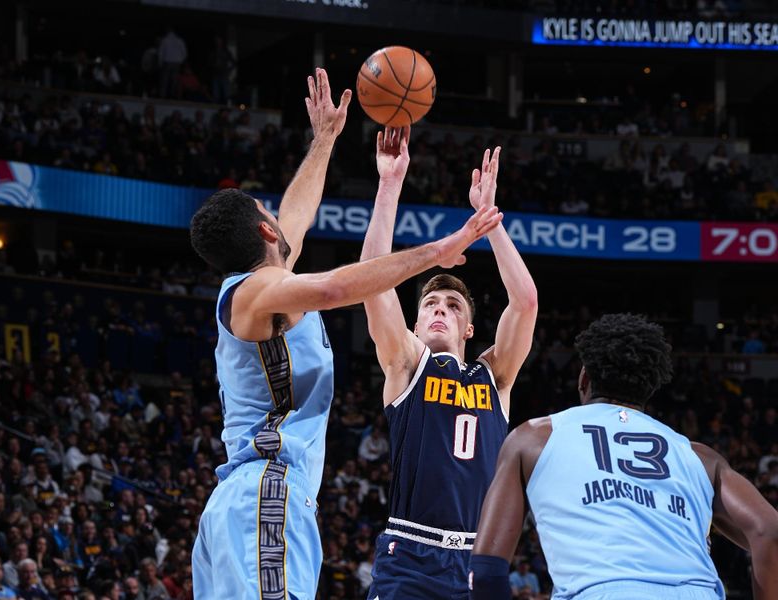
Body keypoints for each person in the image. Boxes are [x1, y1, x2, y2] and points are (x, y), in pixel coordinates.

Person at [189, 70, 503, 599]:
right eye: (270, 216)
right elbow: (337, 289)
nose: (281, 220)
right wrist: (436, 252)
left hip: (237, 503)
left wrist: (326, 139)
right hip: (267, 487)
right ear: (266, 233)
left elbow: (297, 215)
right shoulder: (255, 293)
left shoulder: (265, 287)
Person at [470, 313, 778, 600]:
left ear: (584, 379)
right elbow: (768, 530)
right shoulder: (699, 456)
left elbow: (486, 570)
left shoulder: (534, 438)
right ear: (650, 388)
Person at [361, 129, 537, 600]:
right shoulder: (406, 364)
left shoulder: (494, 376)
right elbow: (372, 281)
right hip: (411, 554)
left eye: (454, 306)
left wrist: (490, 222)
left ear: (469, 330)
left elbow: (525, 302)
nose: (441, 309)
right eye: (431, 303)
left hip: (479, 561)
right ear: (416, 324)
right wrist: (389, 183)